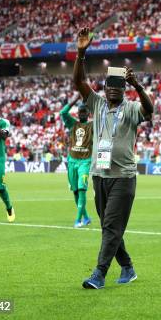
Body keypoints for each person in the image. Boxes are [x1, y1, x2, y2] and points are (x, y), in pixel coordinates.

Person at [73, 27, 153, 289]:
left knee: (110, 226)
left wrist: (137, 85)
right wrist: (81, 53)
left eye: (119, 86)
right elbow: (79, 83)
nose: (115, 90)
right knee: (111, 228)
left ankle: (99, 273)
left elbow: (149, 111)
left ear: (124, 90)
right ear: (105, 88)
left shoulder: (130, 108)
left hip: (123, 177)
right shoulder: (96, 104)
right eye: (111, 85)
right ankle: (128, 268)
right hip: (100, 175)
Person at [60, 93, 93, 228]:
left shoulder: (92, 126)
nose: (82, 114)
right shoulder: (73, 124)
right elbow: (63, 112)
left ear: (88, 113)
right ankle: (86, 218)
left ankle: (78, 220)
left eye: (84, 111)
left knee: (81, 189)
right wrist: (75, 100)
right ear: (78, 113)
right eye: (80, 112)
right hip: (72, 161)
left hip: (85, 162)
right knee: (75, 191)